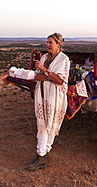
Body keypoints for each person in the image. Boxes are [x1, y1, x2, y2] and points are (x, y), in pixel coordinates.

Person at [26, 32, 70, 171]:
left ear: (59, 44)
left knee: (50, 124)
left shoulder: (64, 60)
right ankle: (42, 155)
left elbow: (60, 80)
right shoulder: (45, 57)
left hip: (55, 97)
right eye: (47, 42)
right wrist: (47, 75)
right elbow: (40, 76)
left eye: (51, 42)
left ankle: (42, 155)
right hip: (43, 94)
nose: (48, 45)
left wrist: (45, 71)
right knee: (43, 124)